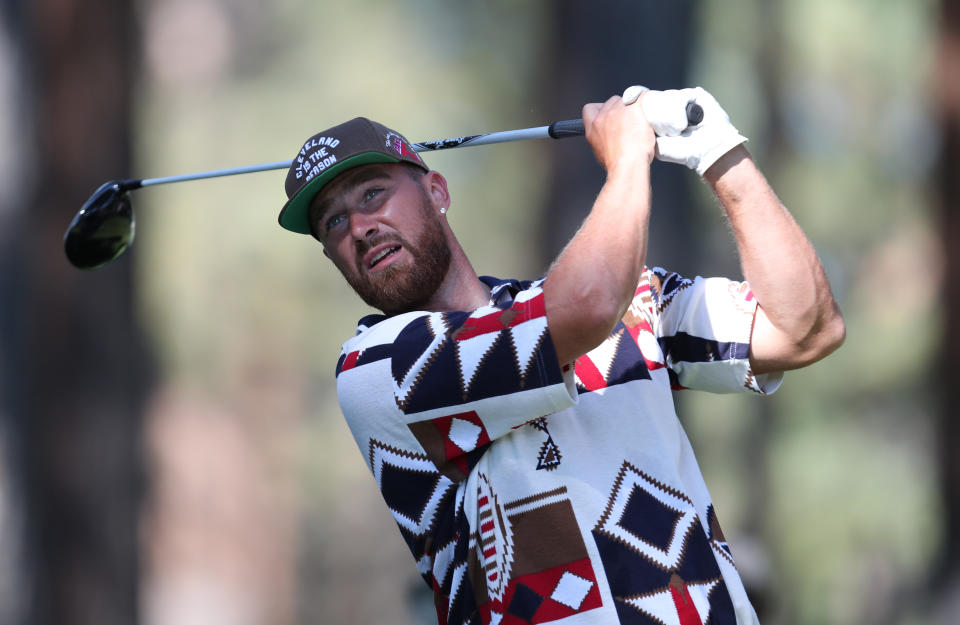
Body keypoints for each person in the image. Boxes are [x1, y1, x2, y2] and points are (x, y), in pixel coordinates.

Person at [276, 86, 845, 625]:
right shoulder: (376, 369)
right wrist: (627, 161)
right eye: (333, 222)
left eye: (373, 193)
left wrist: (718, 151)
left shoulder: (632, 303)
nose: (359, 227)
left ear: (437, 192)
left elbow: (804, 329)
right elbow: (584, 307)